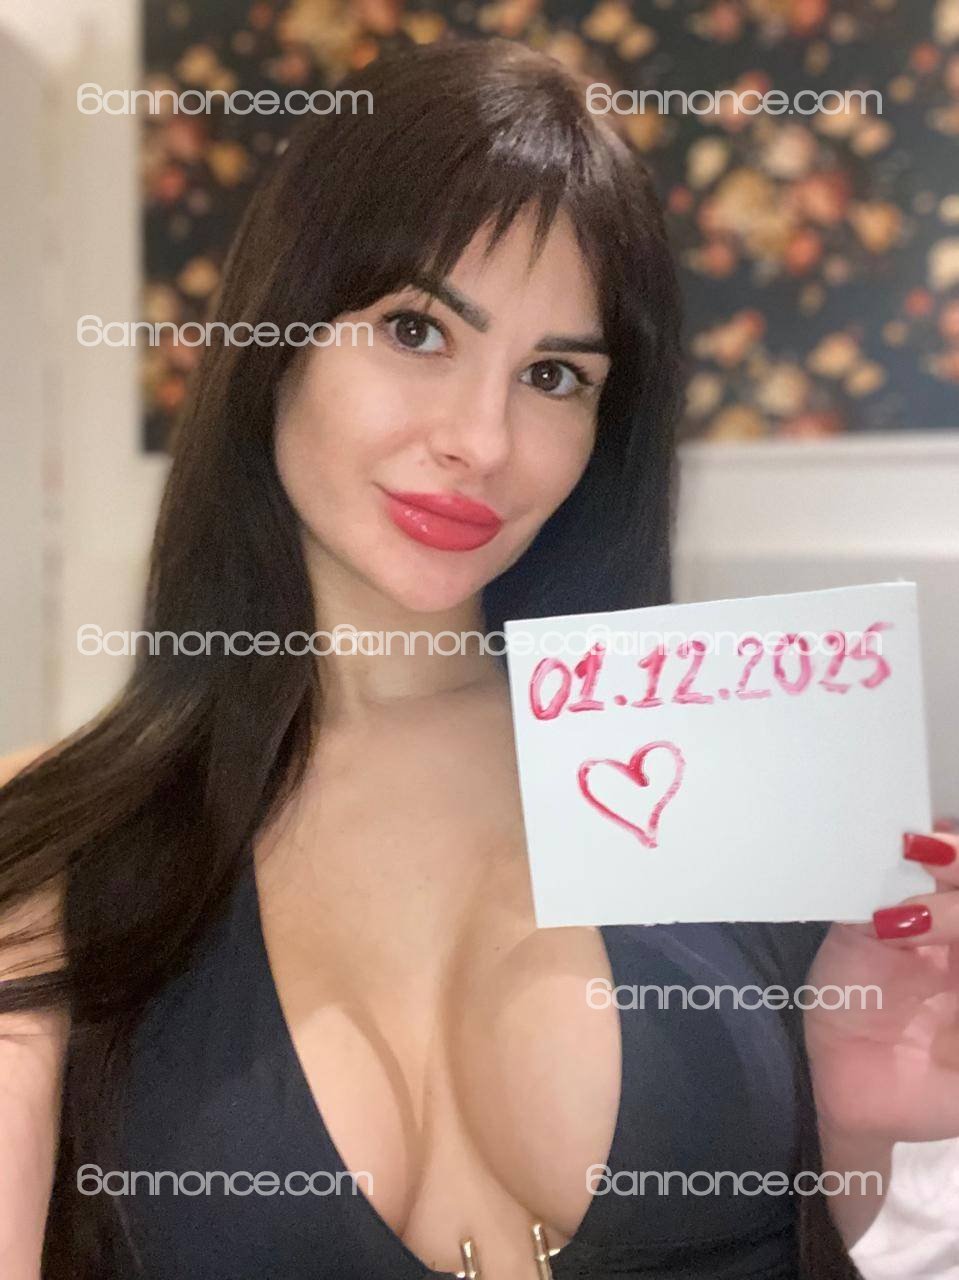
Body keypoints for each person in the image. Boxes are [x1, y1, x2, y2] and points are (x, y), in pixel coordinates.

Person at [1, 35, 956, 1280]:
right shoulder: (58, 844)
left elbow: (793, 1228)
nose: (481, 438)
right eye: (414, 329)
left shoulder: (725, 764)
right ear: (275, 337)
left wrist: (857, 1113)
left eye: (554, 374)